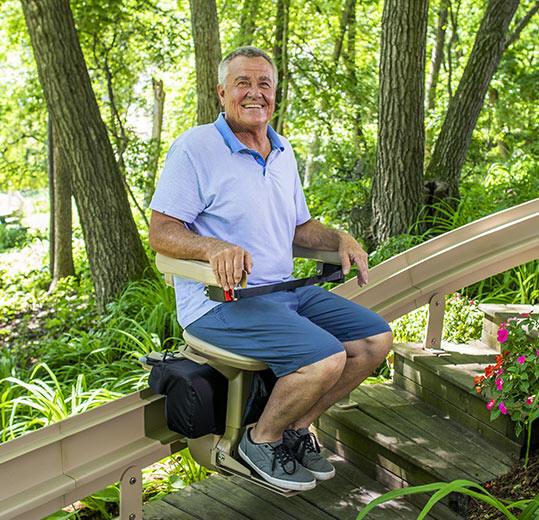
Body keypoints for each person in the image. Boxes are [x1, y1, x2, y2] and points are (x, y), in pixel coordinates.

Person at [148, 46, 393, 492]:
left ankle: (297, 428)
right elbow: (161, 232)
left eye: (264, 84)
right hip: (220, 303)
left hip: (285, 293)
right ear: (221, 91)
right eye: (243, 83)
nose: (255, 93)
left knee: (375, 341)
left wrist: (341, 239)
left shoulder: (283, 150)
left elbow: (298, 229)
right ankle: (260, 441)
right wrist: (211, 247)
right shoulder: (195, 148)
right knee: (325, 358)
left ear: (275, 95)